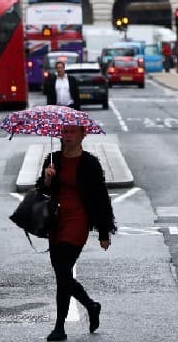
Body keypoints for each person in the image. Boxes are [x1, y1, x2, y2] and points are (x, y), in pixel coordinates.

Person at [36, 124, 116, 341]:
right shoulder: (53, 159)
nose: (68, 136)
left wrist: (104, 231)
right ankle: (91, 306)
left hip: (78, 220)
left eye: (73, 132)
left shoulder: (90, 163)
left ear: (83, 134)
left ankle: (59, 327)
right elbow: (41, 191)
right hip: (55, 221)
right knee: (62, 274)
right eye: (64, 132)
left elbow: (100, 198)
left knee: (63, 271)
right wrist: (47, 179)